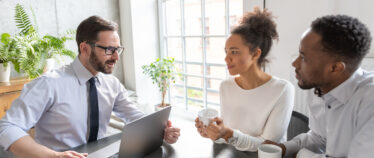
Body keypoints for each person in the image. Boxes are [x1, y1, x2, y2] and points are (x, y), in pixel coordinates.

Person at [0, 16, 180, 158]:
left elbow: (135, 116)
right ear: (85, 49)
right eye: (109, 50)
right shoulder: (48, 84)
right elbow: (7, 128)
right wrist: (54, 156)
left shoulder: (111, 84)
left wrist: (161, 130)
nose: (116, 57)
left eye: (118, 49)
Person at [264, 14, 374, 158]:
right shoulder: (319, 86)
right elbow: (320, 138)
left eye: (303, 58)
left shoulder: (369, 101)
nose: (295, 64)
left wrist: (302, 154)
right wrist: (284, 148)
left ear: (335, 68)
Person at [195, 7, 294, 151]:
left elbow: (268, 147)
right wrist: (214, 133)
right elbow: (228, 138)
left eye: (234, 52)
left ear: (255, 54)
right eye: (226, 52)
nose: (226, 58)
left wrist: (228, 134)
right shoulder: (226, 86)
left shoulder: (283, 90)